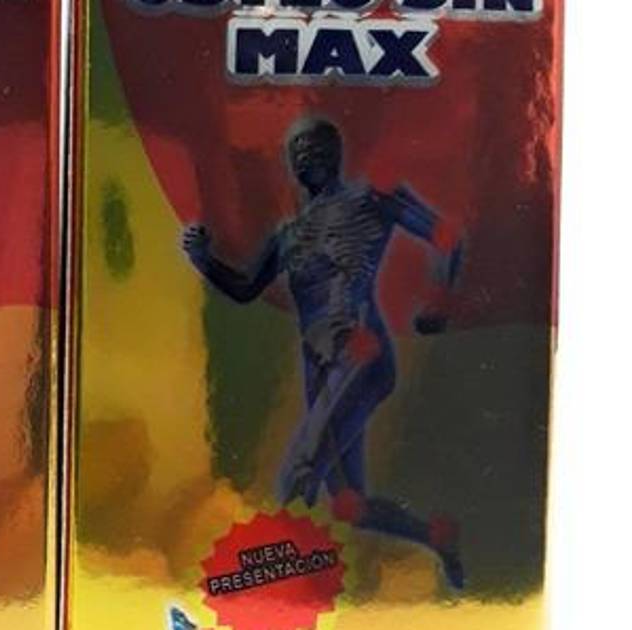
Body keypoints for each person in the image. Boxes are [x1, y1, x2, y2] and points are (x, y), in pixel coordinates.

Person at [181, 117, 465, 588]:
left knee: (298, 473)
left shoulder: (370, 200)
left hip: (359, 349)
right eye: (298, 149)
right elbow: (246, 288)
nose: (306, 155)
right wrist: (203, 258)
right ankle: (436, 537)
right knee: (349, 504)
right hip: (318, 365)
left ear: (336, 153)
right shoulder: (289, 235)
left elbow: (446, 237)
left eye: (316, 146)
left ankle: (270, 596)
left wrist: (437, 303)